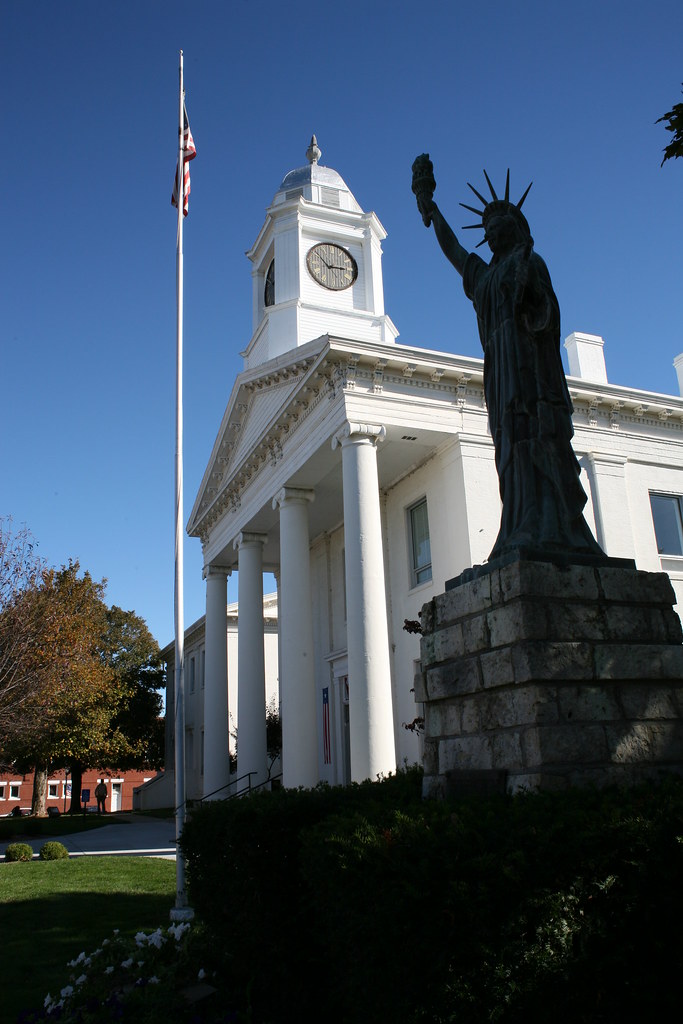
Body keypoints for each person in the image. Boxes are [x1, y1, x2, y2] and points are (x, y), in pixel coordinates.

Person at [413, 158, 605, 564]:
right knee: (509, 447)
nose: (490, 230)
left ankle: (556, 526)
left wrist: (529, 299)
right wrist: (430, 207)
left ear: (514, 226)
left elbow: (547, 316)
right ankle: (521, 525)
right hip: (501, 373)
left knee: (538, 438)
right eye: (486, 228)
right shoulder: (485, 277)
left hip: (532, 369)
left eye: (497, 223)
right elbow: (455, 253)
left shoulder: (529, 262)